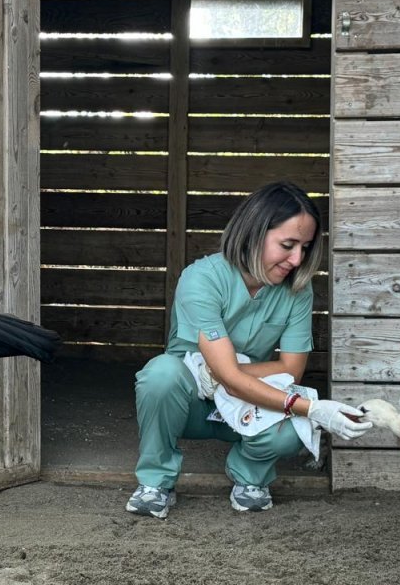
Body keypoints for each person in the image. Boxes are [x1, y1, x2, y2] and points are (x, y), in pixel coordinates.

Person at [125, 181, 372, 518]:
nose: (297, 259)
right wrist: (310, 407)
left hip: (247, 404)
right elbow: (252, 371)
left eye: (305, 247)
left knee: (292, 431)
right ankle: (156, 482)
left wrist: (226, 374)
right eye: (287, 245)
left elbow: (292, 370)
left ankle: (249, 476)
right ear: (254, 232)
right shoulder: (202, 278)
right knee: (161, 375)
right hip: (190, 403)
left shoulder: (297, 290)